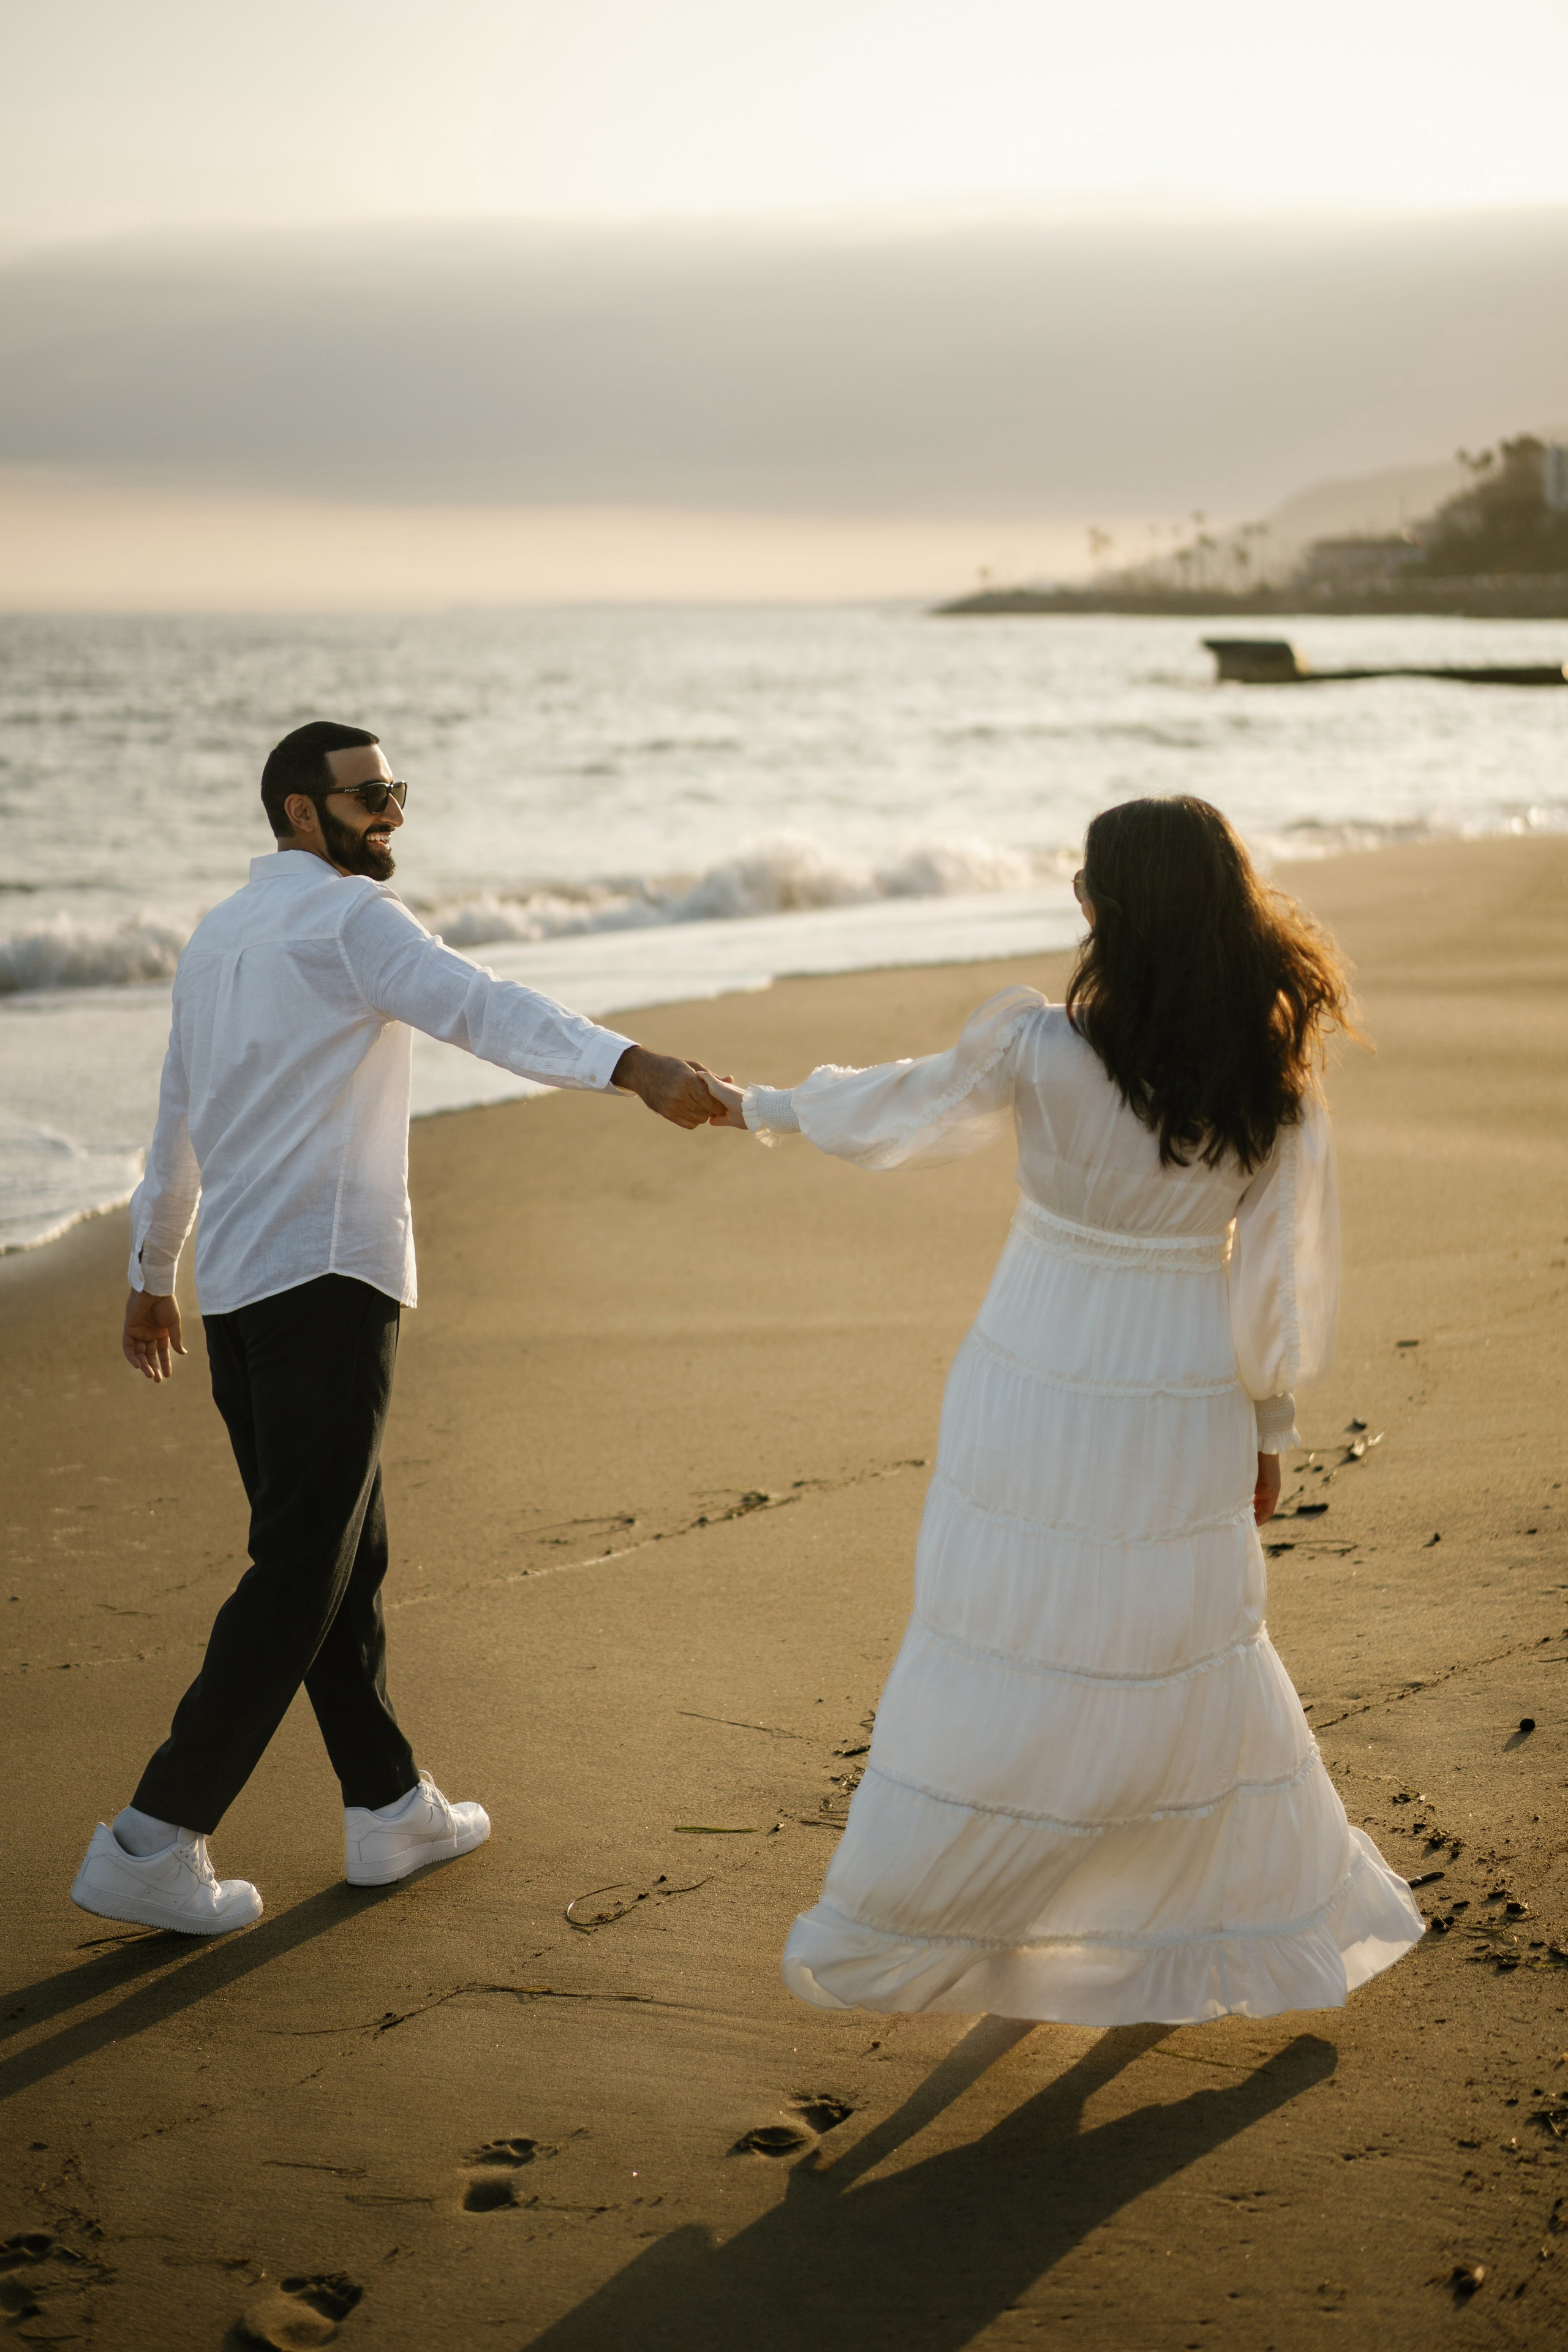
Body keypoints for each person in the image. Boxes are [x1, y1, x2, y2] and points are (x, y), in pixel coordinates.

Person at [709, 795, 1423, 2023]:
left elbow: (897, 1109)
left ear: (1104, 909)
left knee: (1008, 1641)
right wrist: (1266, 1425)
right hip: (1179, 1385)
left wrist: (756, 1105)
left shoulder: (1036, 1048)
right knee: (1186, 1644)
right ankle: (1215, 1921)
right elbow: (1271, 1284)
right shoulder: (1267, 1072)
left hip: (1032, 1373)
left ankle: (976, 1909)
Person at [70, 720, 723, 1938]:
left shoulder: (216, 936)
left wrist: (155, 1265)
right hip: (327, 1275)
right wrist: (629, 1065)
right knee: (305, 1563)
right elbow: (477, 1003)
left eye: (395, 790)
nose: (393, 814)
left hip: (241, 1294)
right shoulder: (344, 921)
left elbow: (178, 1115)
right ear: (298, 814)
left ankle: (387, 1807)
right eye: (369, 796)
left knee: (339, 1556)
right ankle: (152, 1839)